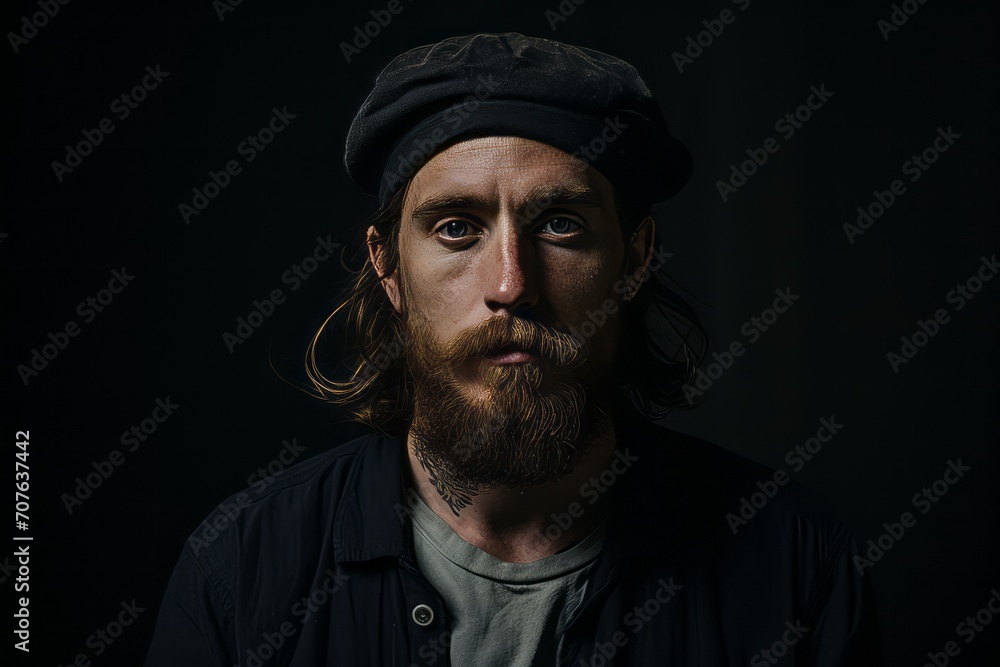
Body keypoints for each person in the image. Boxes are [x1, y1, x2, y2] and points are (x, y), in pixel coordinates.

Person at [145, 32, 879, 666]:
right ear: (389, 268)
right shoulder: (241, 572)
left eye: (560, 224)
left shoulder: (796, 565)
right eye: (457, 227)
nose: (511, 284)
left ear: (634, 257)